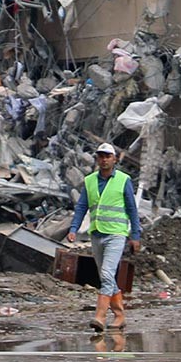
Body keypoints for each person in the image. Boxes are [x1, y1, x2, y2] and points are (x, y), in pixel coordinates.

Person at [67, 142, 141, 332]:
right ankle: (119, 315)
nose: (104, 159)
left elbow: (132, 209)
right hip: (97, 234)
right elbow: (81, 206)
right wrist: (74, 228)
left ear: (114, 159)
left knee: (107, 274)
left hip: (116, 234)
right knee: (105, 277)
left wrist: (135, 235)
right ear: (97, 159)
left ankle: (99, 316)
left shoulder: (123, 180)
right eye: (101, 156)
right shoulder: (90, 181)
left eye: (108, 156)